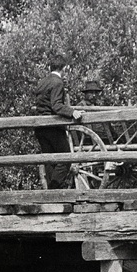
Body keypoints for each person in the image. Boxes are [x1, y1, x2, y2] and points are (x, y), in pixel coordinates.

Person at [31, 53, 81, 189]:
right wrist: (72, 112)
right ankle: (54, 188)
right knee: (66, 159)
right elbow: (56, 105)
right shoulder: (57, 82)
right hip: (52, 126)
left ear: (49, 67)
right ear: (64, 69)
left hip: (40, 127)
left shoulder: (42, 82)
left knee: (50, 160)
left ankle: (52, 193)